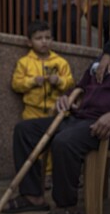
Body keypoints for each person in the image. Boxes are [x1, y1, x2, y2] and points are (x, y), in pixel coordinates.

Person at [3, 8, 110, 214]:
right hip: (80, 117)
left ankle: (66, 206)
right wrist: (66, 99)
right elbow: (81, 87)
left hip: (108, 126)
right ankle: (32, 195)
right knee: (24, 130)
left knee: (64, 141)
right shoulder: (102, 59)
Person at [11, 20, 75, 189]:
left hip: (55, 112)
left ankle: (49, 176)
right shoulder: (25, 62)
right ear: (29, 42)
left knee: (54, 146)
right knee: (33, 147)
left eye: (48, 37)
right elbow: (16, 84)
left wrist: (59, 81)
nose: (44, 41)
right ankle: (35, 176)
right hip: (32, 111)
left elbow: (70, 83)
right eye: (39, 38)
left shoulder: (60, 62)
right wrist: (32, 81)